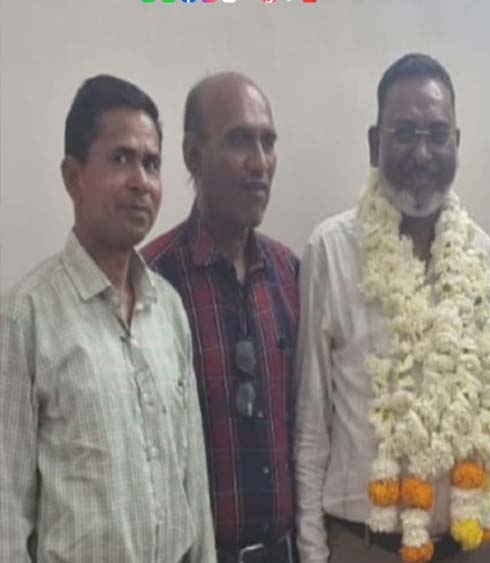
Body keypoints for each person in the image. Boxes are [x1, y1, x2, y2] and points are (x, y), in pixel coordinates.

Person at [295, 53, 490, 563]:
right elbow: (311, 423)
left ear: (457, 143)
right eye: (405, 133)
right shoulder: (331, 251)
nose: (423, 151)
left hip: (467, 543)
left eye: (438, 134)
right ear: (375, 143)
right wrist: (313, 552)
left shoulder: (484, 257)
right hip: (364, 545)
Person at [0, 74, 215, 563]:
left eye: (151, 163)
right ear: (73, 177)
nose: (141, 182)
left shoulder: (168, 310)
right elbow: (5, 516)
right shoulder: (24, 318)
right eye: (121, 159)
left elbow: (194, 488)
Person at [144, 72, 299, 563]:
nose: (259, 163)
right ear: (193, 155)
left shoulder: (290, 274)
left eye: (268, 142)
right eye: (239, 141)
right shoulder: (151, 281)